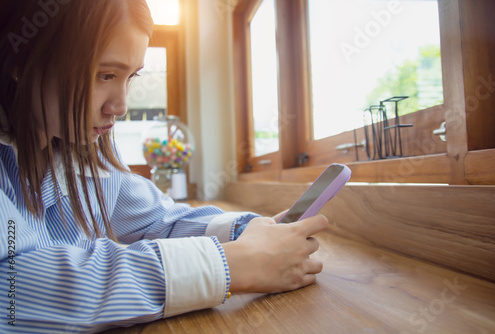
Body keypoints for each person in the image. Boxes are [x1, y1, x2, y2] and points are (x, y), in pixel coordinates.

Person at [0, 0, 328, 333]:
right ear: (22, 60)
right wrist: (232, 265)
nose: (120, 106)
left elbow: (160, 219)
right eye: (104, 75)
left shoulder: (85, 152)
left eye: (130, 77)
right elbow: (12, 288)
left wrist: (251, 233)